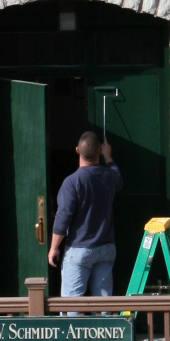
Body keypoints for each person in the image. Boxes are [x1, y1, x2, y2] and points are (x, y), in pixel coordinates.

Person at [48, 128, 122, 298]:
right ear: (101, 150)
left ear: (77, 150)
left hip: (79, 248)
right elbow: (118, 178)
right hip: (106, 248)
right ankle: (103, 326)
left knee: (71, 305)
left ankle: (71, 327)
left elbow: (63, 216)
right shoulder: (109, 176)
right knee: (103, 305)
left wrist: (54, 247)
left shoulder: (72, 182)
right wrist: (109, 157)